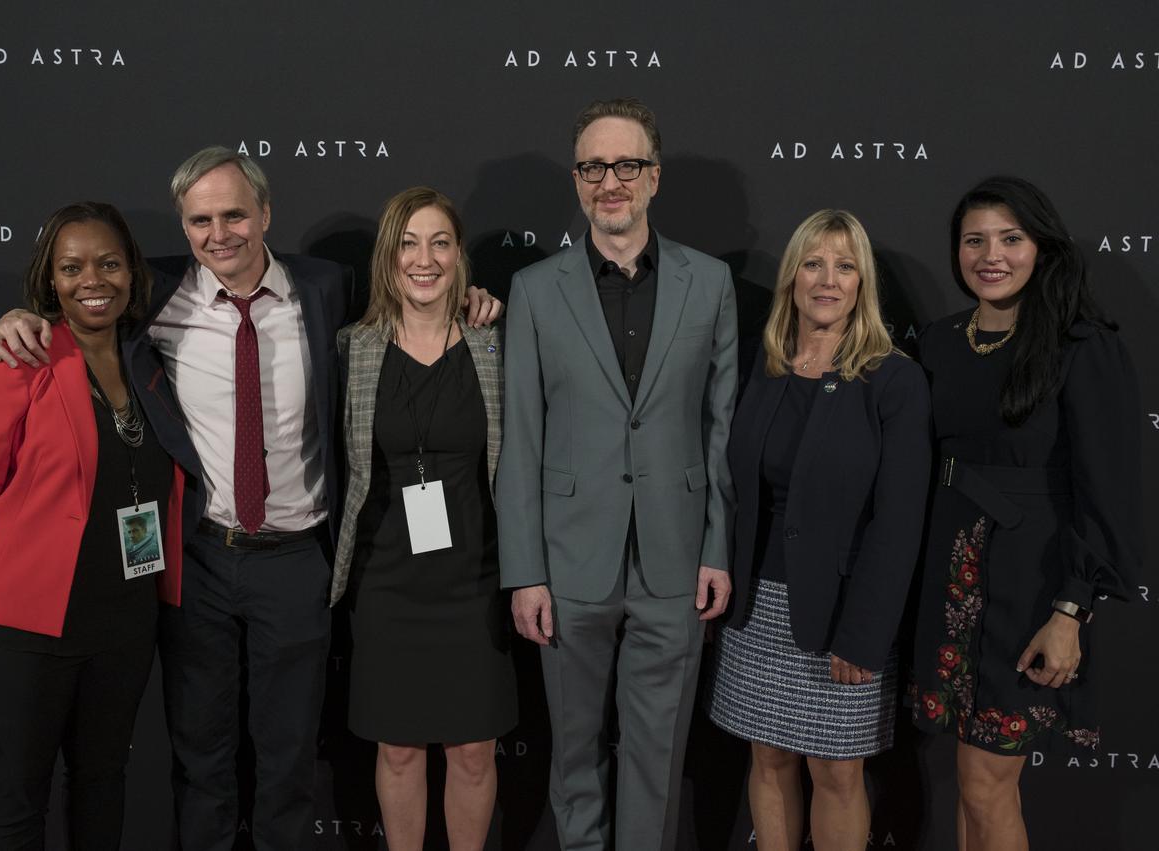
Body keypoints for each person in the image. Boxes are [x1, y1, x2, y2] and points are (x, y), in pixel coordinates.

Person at [0, 147, 502, 850]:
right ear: (183, 226)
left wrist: (469, 297)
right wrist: (23, 315)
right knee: (202, 759)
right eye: (199, 220)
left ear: (265, 214)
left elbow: (409, 305)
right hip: (199, 561)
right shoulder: (155, 297)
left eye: (233, 214)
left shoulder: (325, 288)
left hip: (296, 561)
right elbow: (83, 300)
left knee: (289, 762)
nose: (218, 232)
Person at [0, 202, 185, 848]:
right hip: (20, 637)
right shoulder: (16, 357)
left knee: (102, 788)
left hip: (123, 628)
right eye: (72, 266)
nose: (94, 280)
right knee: (10, 811)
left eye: (109, 263)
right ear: (49, 279)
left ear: (132, 272)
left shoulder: (150, 361)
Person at [496, 97, 738, 850]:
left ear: (654, 176)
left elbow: (720, 428)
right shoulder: (535, 290)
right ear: (577, 180)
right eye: (595, 166)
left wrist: (717, 547)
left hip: (675, 557)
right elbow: (521, 442)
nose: (612, 180)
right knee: (571, 757)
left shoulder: (711, 282)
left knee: (657, 758)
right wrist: (524, 571)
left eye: (627, 164)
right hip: (568, 564)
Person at [909, 177, 1141, 851]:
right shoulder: (940, 341)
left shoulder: (1081, 344)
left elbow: (1110, 491)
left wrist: (1071, 610)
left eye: (1011, 239)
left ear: (1041, 246)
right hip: (947, 585)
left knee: (987, 783)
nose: (992, 255)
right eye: (974, 239)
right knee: (971, 779)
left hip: (1030, 589)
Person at [706, 210, 931, 851]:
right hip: (756, 608)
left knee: (836, 771)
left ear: (863, 284)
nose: (827, 279)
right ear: (791, 278)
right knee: (769, 760)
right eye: (812, 263)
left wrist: (863, 635)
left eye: (844, 265)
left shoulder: (893, 379)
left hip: (841, 615)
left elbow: (899, 521)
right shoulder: (764, 365)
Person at [332, 187, 516, 851]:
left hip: (475, 582)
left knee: (473, 753)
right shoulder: (352, 349)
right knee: (401, 751)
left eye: (439, 241)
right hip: (386, 583)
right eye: (408, 242)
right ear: (388, 256)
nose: (424, 258)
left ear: (459, 255)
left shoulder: (495, 345)